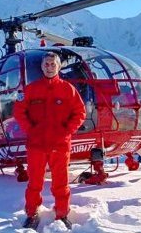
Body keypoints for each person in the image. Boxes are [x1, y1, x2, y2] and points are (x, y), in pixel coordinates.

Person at [13, 52, 86, 230]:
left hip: (60, 145)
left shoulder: (68, 89)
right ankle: (32, 213)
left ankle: (62, 214)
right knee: (34, 182)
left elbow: (80, 112)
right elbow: (19, 111)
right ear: (42, 66)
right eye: (46, 64)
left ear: (59, 66)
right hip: (36, 145)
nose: (49, 66)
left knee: (61, 182)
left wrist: (67, 131)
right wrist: (31, 130)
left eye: (53, 64)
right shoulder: (31, 89)